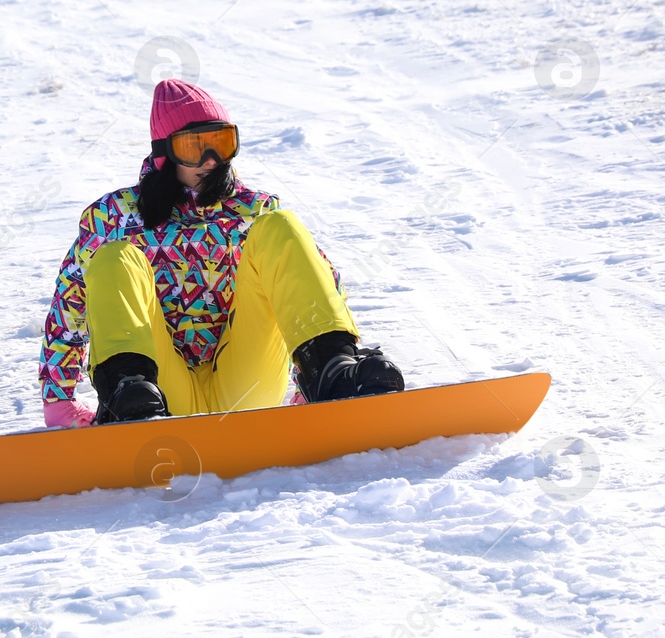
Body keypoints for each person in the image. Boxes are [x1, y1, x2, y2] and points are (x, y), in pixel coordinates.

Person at [40, 79, 404, 427]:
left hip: (246, 385)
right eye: (193, 147)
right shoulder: (114, 216)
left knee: (281, 226)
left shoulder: (255, 211)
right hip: (157, 395)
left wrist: (309, 370)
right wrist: (59, 399)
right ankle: (125, 389)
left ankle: (330, 370)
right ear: (165, 152)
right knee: (115, 256)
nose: (211, 159)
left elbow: (318, 284)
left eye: (221, 142)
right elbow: (71, 300)